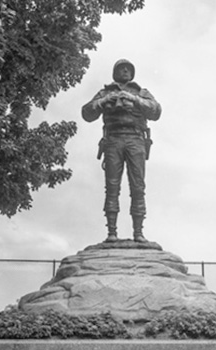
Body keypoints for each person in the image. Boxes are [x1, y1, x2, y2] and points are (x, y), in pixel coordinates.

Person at [82, 59, 161, 243]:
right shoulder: (105, 92)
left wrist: (134, 99)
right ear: (115, 72)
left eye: (128, 69)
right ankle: (111, 232)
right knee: (112, 187)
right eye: (121, 68)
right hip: (113, 139)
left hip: (136, 139)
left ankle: (138, 233)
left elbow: (156, 111)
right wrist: (104, 101)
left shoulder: (141, 92)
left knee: (138, 187)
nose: (125, 71)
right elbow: (87, 113)